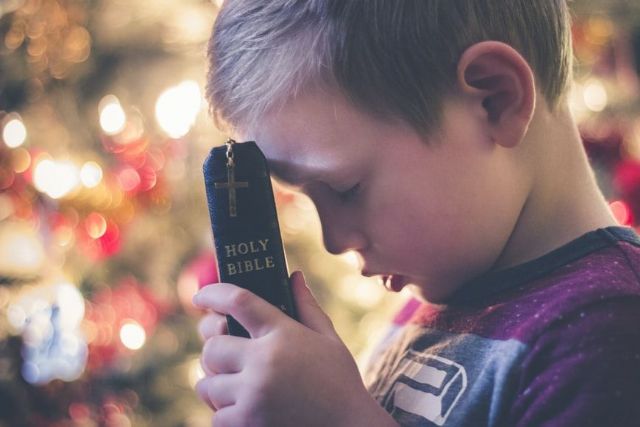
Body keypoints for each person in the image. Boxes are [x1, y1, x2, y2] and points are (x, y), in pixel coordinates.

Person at [192, 1, 640, 426]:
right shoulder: (432, 304)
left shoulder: (611, 329)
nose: (334, 241)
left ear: (495, 100)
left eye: (346, 190)